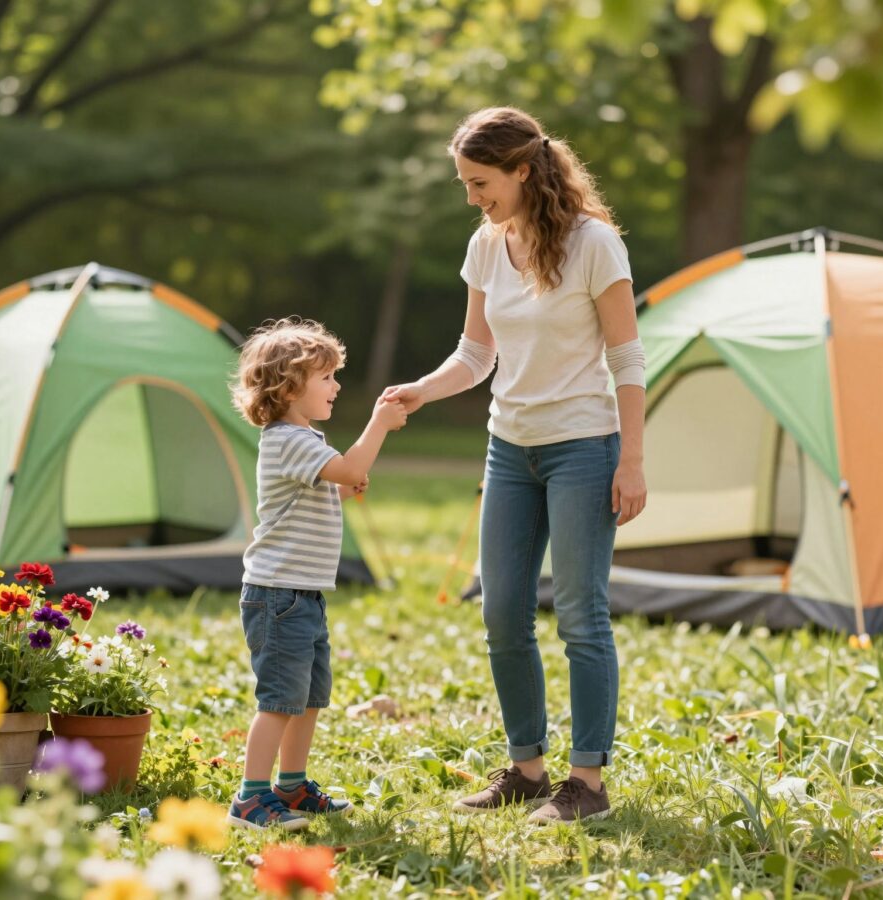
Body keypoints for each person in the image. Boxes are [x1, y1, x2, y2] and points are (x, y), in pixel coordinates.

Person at [383, 107, 647, 823]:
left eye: (480, 182)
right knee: (501, 612)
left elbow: (626, 356)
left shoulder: (595, 245)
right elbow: (476, 354)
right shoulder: (487, 245)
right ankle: (526, 770)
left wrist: (632, 459)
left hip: (585, 448)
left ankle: (587, 782)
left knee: (580, 616)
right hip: (510, 449)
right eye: (466, 184)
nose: (473, 197)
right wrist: (421, 390)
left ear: (522, 170)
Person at [227, 317, 407, 830]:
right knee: (280, 700)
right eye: (326, 376)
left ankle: (292, 787)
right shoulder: (287, 438)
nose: (337, 385)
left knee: (306, 700)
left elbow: (341, 484)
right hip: (278, 594)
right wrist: (378, 425)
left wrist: (347, 486)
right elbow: (349, 470)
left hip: (302, 595)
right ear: (288, 386)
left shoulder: (306, 438)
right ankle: (250, 799)